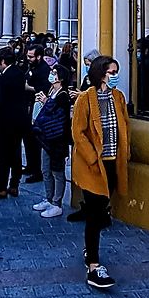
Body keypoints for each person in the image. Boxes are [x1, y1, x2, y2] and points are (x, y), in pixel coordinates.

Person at [71, 55, 130, 289]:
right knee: (95, 213)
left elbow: (124, 126)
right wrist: (92, 157)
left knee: (103, 210)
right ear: (100, 73)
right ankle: (94, 265)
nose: (115, 76)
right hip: (94, 165)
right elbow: (79, 132)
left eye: (116, 71)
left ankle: (90, 249)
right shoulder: (86, 99)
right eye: (111, 72)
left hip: (113, 163)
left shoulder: (118, 97)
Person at [66, 48, 103, 221]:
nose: (86, 68)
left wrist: (82, 95)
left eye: (89, 65)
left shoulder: (103, 83)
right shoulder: (87, 79)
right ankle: (84, 205)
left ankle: (100, 212)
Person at [31, 66, 71, 218]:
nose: (51, 75)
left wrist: (46, 102)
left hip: (57, 139)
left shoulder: (63, 95)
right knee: (45, 169)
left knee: (57, 171)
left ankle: (57, 202)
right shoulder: (51, 90)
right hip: (46, 138)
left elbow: (58, 115)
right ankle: (49, 198)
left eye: (54, 73)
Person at [0, 46, 27, 198]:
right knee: (16, 152)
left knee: (4, 155)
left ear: (3, 61)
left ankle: (1, 187)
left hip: (6, 121)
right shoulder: (19, 73)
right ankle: (14, 184)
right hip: (19, 119)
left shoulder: (3, 78)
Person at [22, 44, 52, 182]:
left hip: (38, 108)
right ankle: (30, 165)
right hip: (29, 106)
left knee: (36, 141)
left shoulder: (44, 70)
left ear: (39, 56)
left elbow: (44, 88)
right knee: (28, 138)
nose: (28, 58)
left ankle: (37, 170)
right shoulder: (31, 67)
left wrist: (29, 88)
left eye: (31, 56)